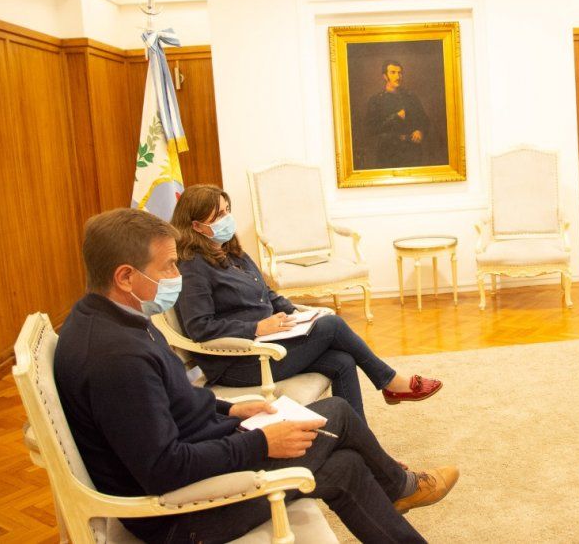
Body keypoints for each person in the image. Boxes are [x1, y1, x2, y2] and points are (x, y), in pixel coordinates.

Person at [54, 208, 458, 544]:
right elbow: (164, 468)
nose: (178, 274)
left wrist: (231, 409)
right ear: (126, 277)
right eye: (170, 265)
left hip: (204, 461)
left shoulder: (108, 320)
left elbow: (168, 401)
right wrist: (261, 441)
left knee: (347, 466)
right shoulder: (116, 357)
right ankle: (402, 487)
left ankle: (400, 489)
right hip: (187, 514)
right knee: (334, 411)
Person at [171, 184, 441, 421]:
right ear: (195, 226)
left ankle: (361, 446)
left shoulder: (232, 254)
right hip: (241, 362)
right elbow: (200, 326)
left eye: (228, 210)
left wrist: (299, 315)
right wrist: (256, 328)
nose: (227, 219)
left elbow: (268, 294)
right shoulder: (192, 266)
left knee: (342, 361)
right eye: (219, 215)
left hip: (268, 344)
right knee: (333, 325)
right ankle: (391, 382)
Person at [364, 59, 430, 168]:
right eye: (393, 72)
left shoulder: (411, 97)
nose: (398, 76)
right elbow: (371, 129)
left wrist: (420, 131)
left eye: (400, 73)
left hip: (412, 152)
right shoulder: (376, 100)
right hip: (387, 153)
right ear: (385, 76)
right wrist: (396, 117)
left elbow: (425, 120)